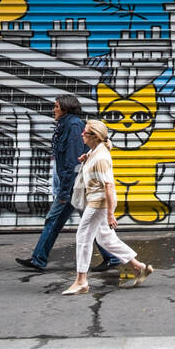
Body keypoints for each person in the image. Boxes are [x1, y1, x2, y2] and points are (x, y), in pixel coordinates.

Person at [15, 94, 120, 273]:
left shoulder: (72, 126)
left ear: (65, 107)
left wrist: (64, 192)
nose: (53, 109)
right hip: (72, 185)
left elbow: (72, 162)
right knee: (83, 222)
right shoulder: (65, 125)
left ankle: (39, 259)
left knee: (54, 220)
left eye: (56, 106)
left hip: (73, 186)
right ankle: (111, 257)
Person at [62, 118, 153, 295]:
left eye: (86, 132)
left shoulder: (101, 157)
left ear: (95, 136)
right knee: (105, 238)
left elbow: (109, 186)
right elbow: (99, 154)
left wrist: (111, 214)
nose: (82, 134)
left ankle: (81, 281)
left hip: (99, 203)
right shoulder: (96, 150)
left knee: (83, 236)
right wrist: (86, 158)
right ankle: (139, 267)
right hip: (97, 201)